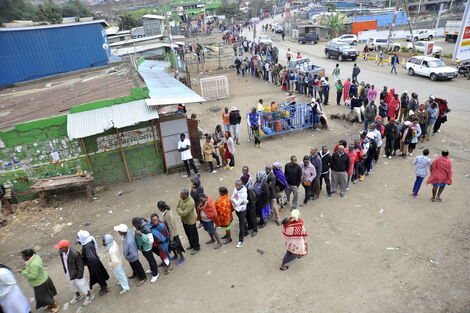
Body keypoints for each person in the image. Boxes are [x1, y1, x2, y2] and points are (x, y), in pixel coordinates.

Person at [55, 239, 94, 306]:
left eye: (61, 248)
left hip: (77, 274)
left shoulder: (74, 254)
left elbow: (80, 265)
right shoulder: (61, 252)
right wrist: (66, 271)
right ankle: (78, 296)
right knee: (72, 285)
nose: (59, 249)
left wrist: (79, 275)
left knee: (82, 285)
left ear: (65, 247)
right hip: (68, 272)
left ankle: (89, 296)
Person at [76, 230, 109, 296]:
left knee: (99, 276)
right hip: (95, 262)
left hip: (93, 265)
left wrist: (85, 261)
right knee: (98, 275)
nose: (78, 238)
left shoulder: (86, 246)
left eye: (79, 237)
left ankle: (104, 288)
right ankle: (103, 286)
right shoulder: (90, 240)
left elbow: (90, 257)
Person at [131, 218, 160, 283]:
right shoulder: (138, 226)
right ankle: (152, 269)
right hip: (143, 248)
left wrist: (141, 235)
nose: (135, 227)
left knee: (151, 260)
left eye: (135, 225)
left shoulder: (146, 229)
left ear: (138, 223)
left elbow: (150, 241)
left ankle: (156, 273)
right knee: (148, 259)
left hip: (147, 248)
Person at [176, 189, 200, 255]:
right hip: (184, 221)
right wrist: (180, 211)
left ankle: (196, 247)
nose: (180, 195)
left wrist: (179, 211)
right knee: (188, 234)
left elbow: (184, 214)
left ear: (185, 195)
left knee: (193, 235)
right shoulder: (181, 199)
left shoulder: (191, 202)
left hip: (191, 221)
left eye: (181, 194)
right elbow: (177, 207)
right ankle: (191, 245)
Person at [231, 180, 248, 248]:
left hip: (242, 210)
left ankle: (241, 240)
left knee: (241, 225)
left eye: (238, 185)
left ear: (241, 185)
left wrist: (234, 200)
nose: (236, 186)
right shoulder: (236, 189)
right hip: (237, 209)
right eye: (236, 185)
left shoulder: (244, 193)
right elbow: (232, 197)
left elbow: (236, 201)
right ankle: (246, 232)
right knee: (242, 220)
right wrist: (235, 201)